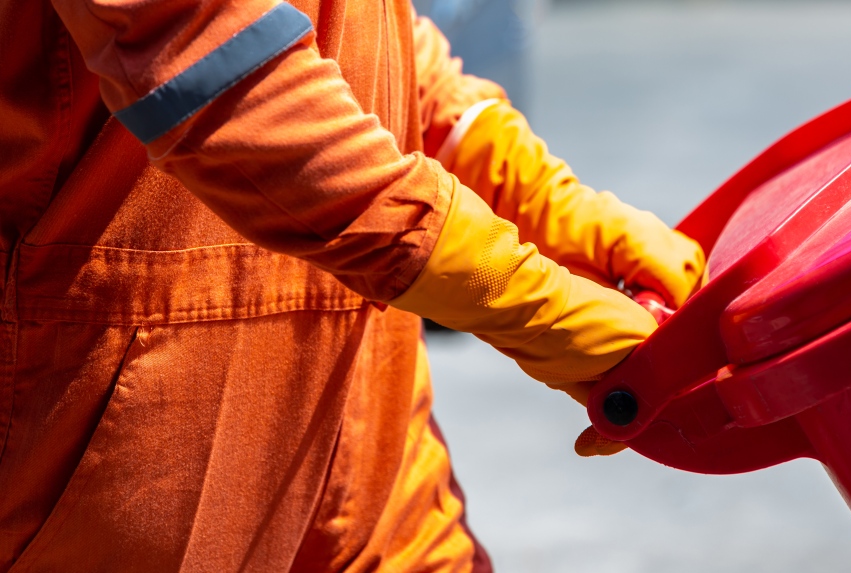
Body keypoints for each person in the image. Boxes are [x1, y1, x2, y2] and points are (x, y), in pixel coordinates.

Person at [0, 0, 704, 570]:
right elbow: (217, 69)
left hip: (365, 401)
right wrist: (512, 290)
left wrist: (528, 182)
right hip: (139, 417)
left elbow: (353, 22)